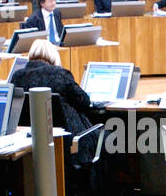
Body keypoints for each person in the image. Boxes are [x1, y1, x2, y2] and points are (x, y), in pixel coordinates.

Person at [9, 40, 99, 184]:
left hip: (32, 142)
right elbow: (84, 101)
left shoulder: (17, 76)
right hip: (69, 141)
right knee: (105, 135)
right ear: (53, 56)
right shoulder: (59, 74)